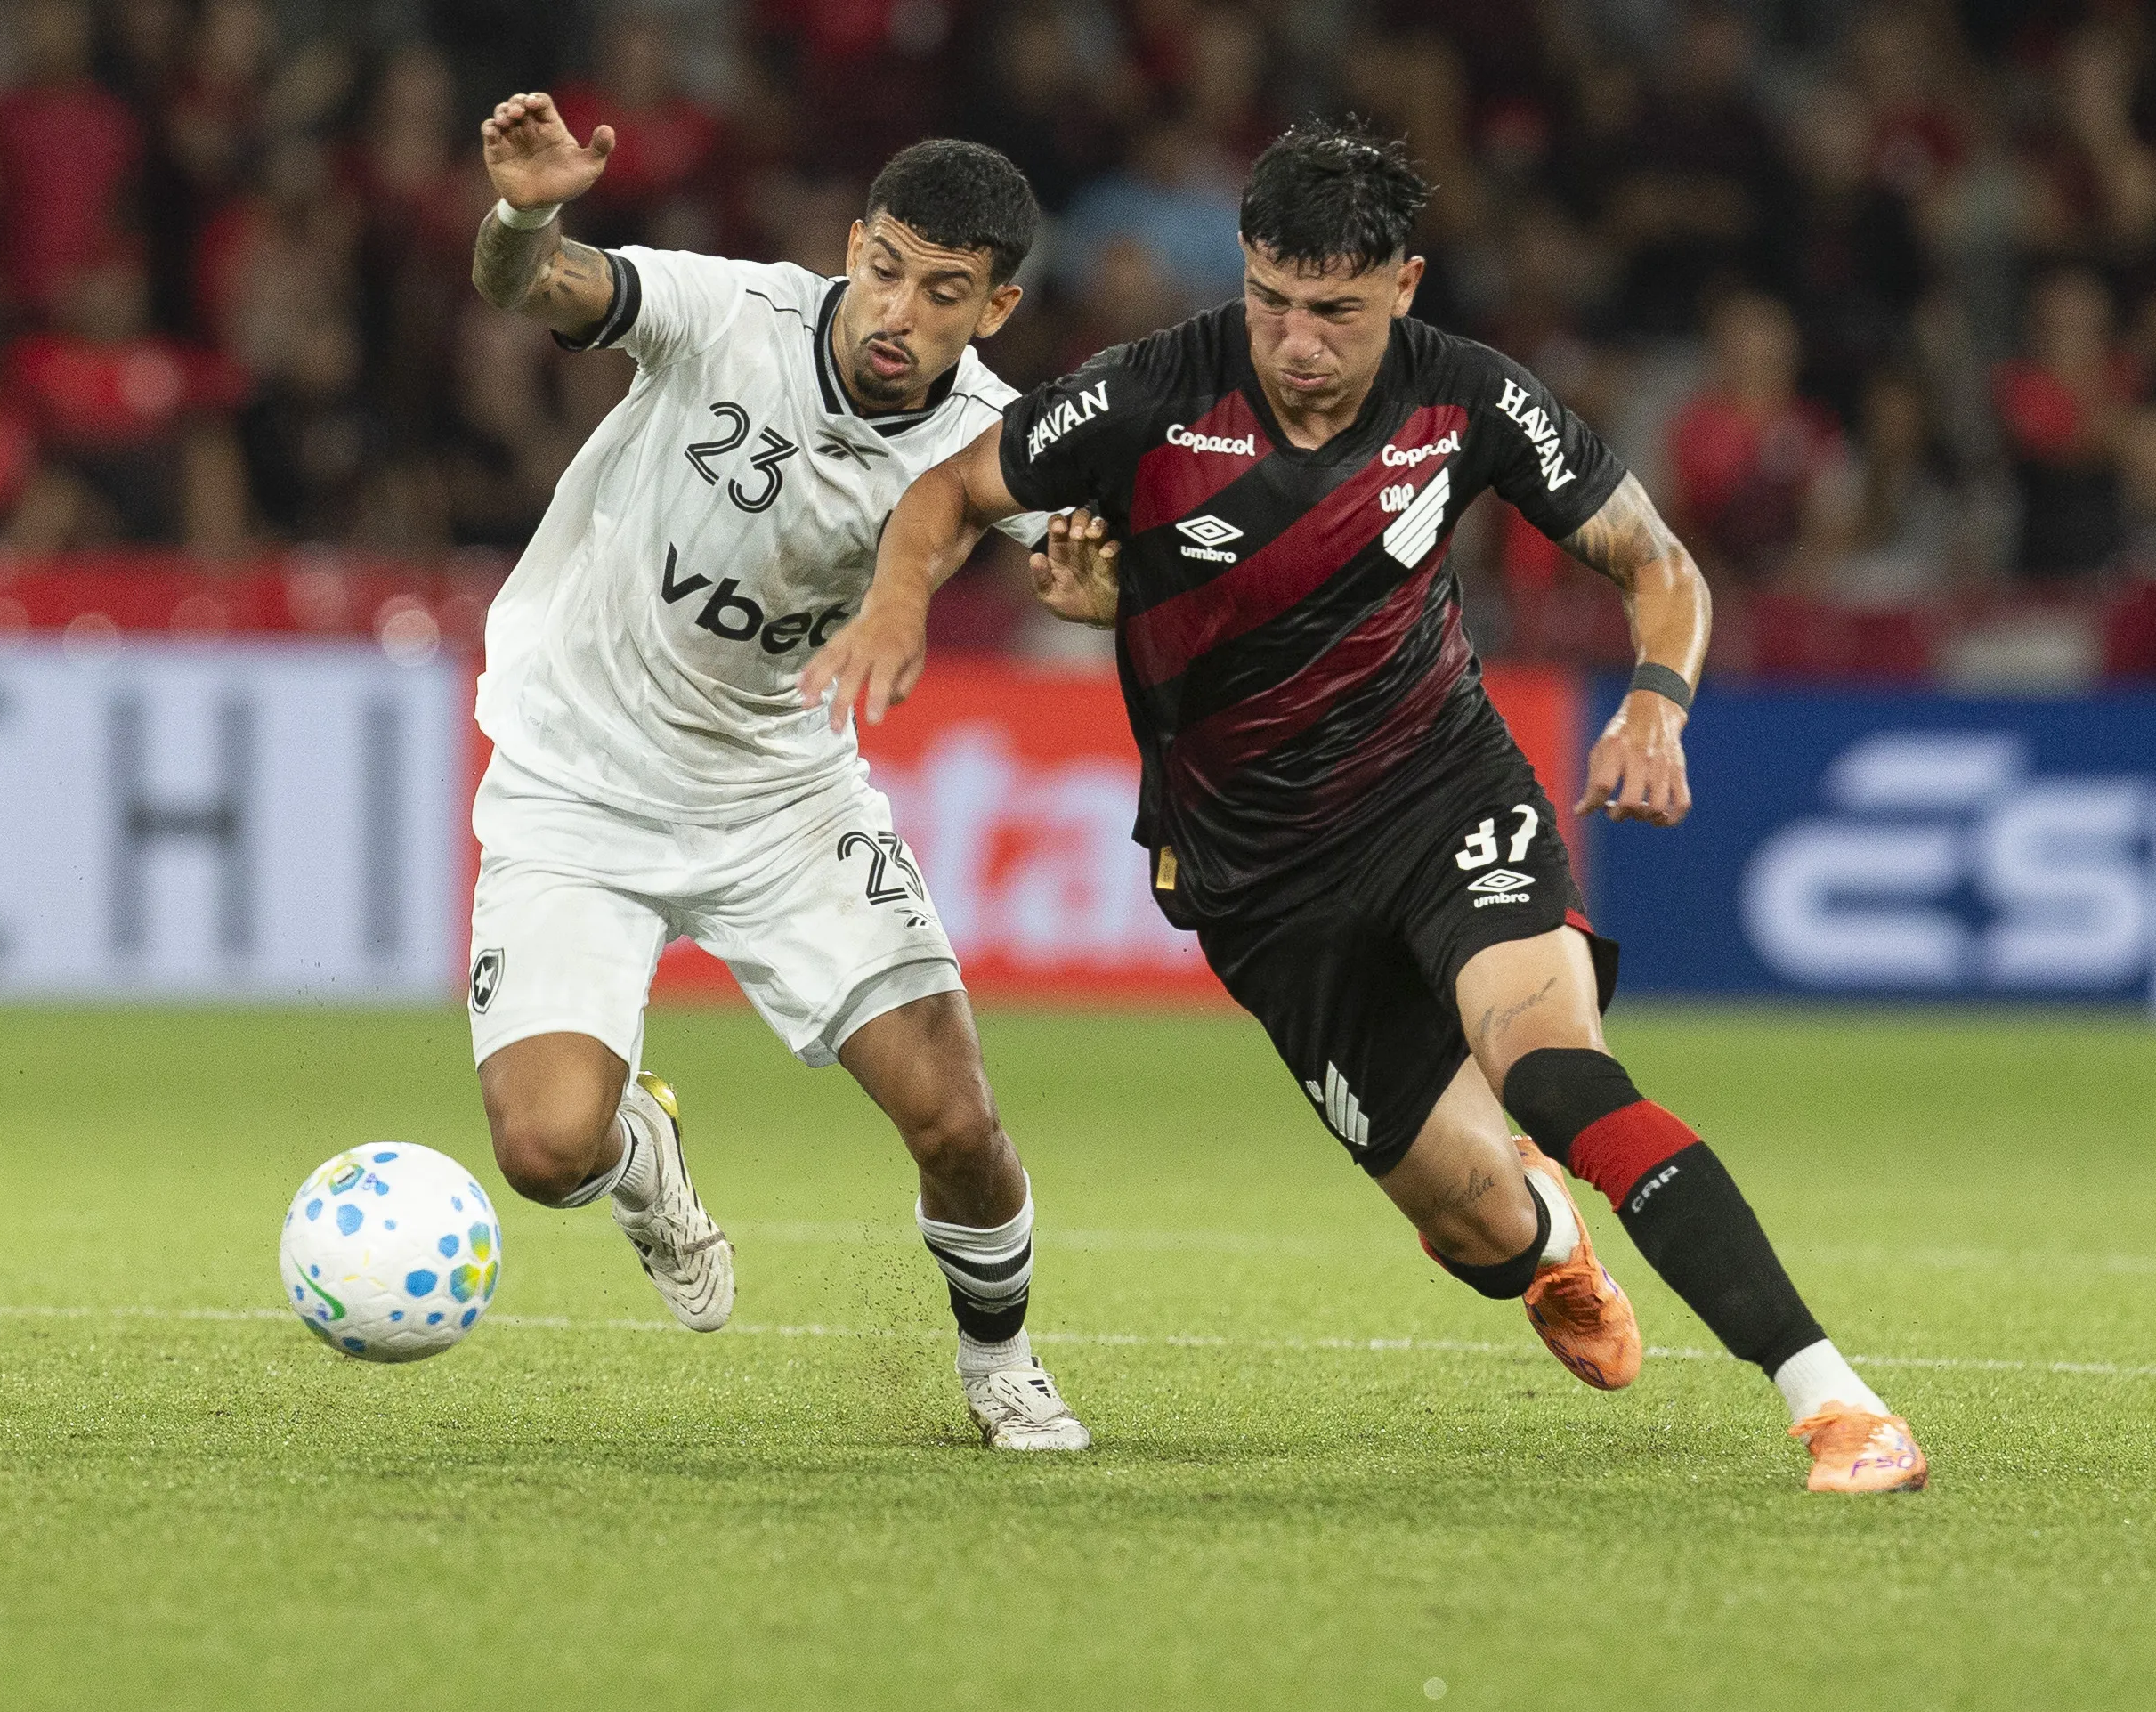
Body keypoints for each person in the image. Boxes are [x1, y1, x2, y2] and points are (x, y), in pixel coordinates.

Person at [806, 122, 1928, 1494]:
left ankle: (1837, 1402)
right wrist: (902, 598)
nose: (1295, 341)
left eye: (1334, 310)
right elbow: (948, 492)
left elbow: (1661, 567)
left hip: (1440, 791)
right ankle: (1543, 1242)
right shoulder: (1152, 389)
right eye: (1271, 300)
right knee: (1481, 1232)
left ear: (1403, 284)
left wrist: (1655, 702)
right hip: (1262, 885)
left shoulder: (1472, 399)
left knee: (1560, 1072)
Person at [466, 93, 1089, 1449]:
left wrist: (1098, 587)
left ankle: (1003, 1369)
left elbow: (1087, 564)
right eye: (883, 269)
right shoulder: (725, 312)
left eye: (943, 293)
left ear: (994, 308)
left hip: (783, 804)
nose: (897, 312)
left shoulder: (996, 432)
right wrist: (525, 212)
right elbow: (534, 283)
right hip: (579, 777)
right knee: (543, 1150)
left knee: (961, 1125)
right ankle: (641, 1150)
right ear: (851, 245)